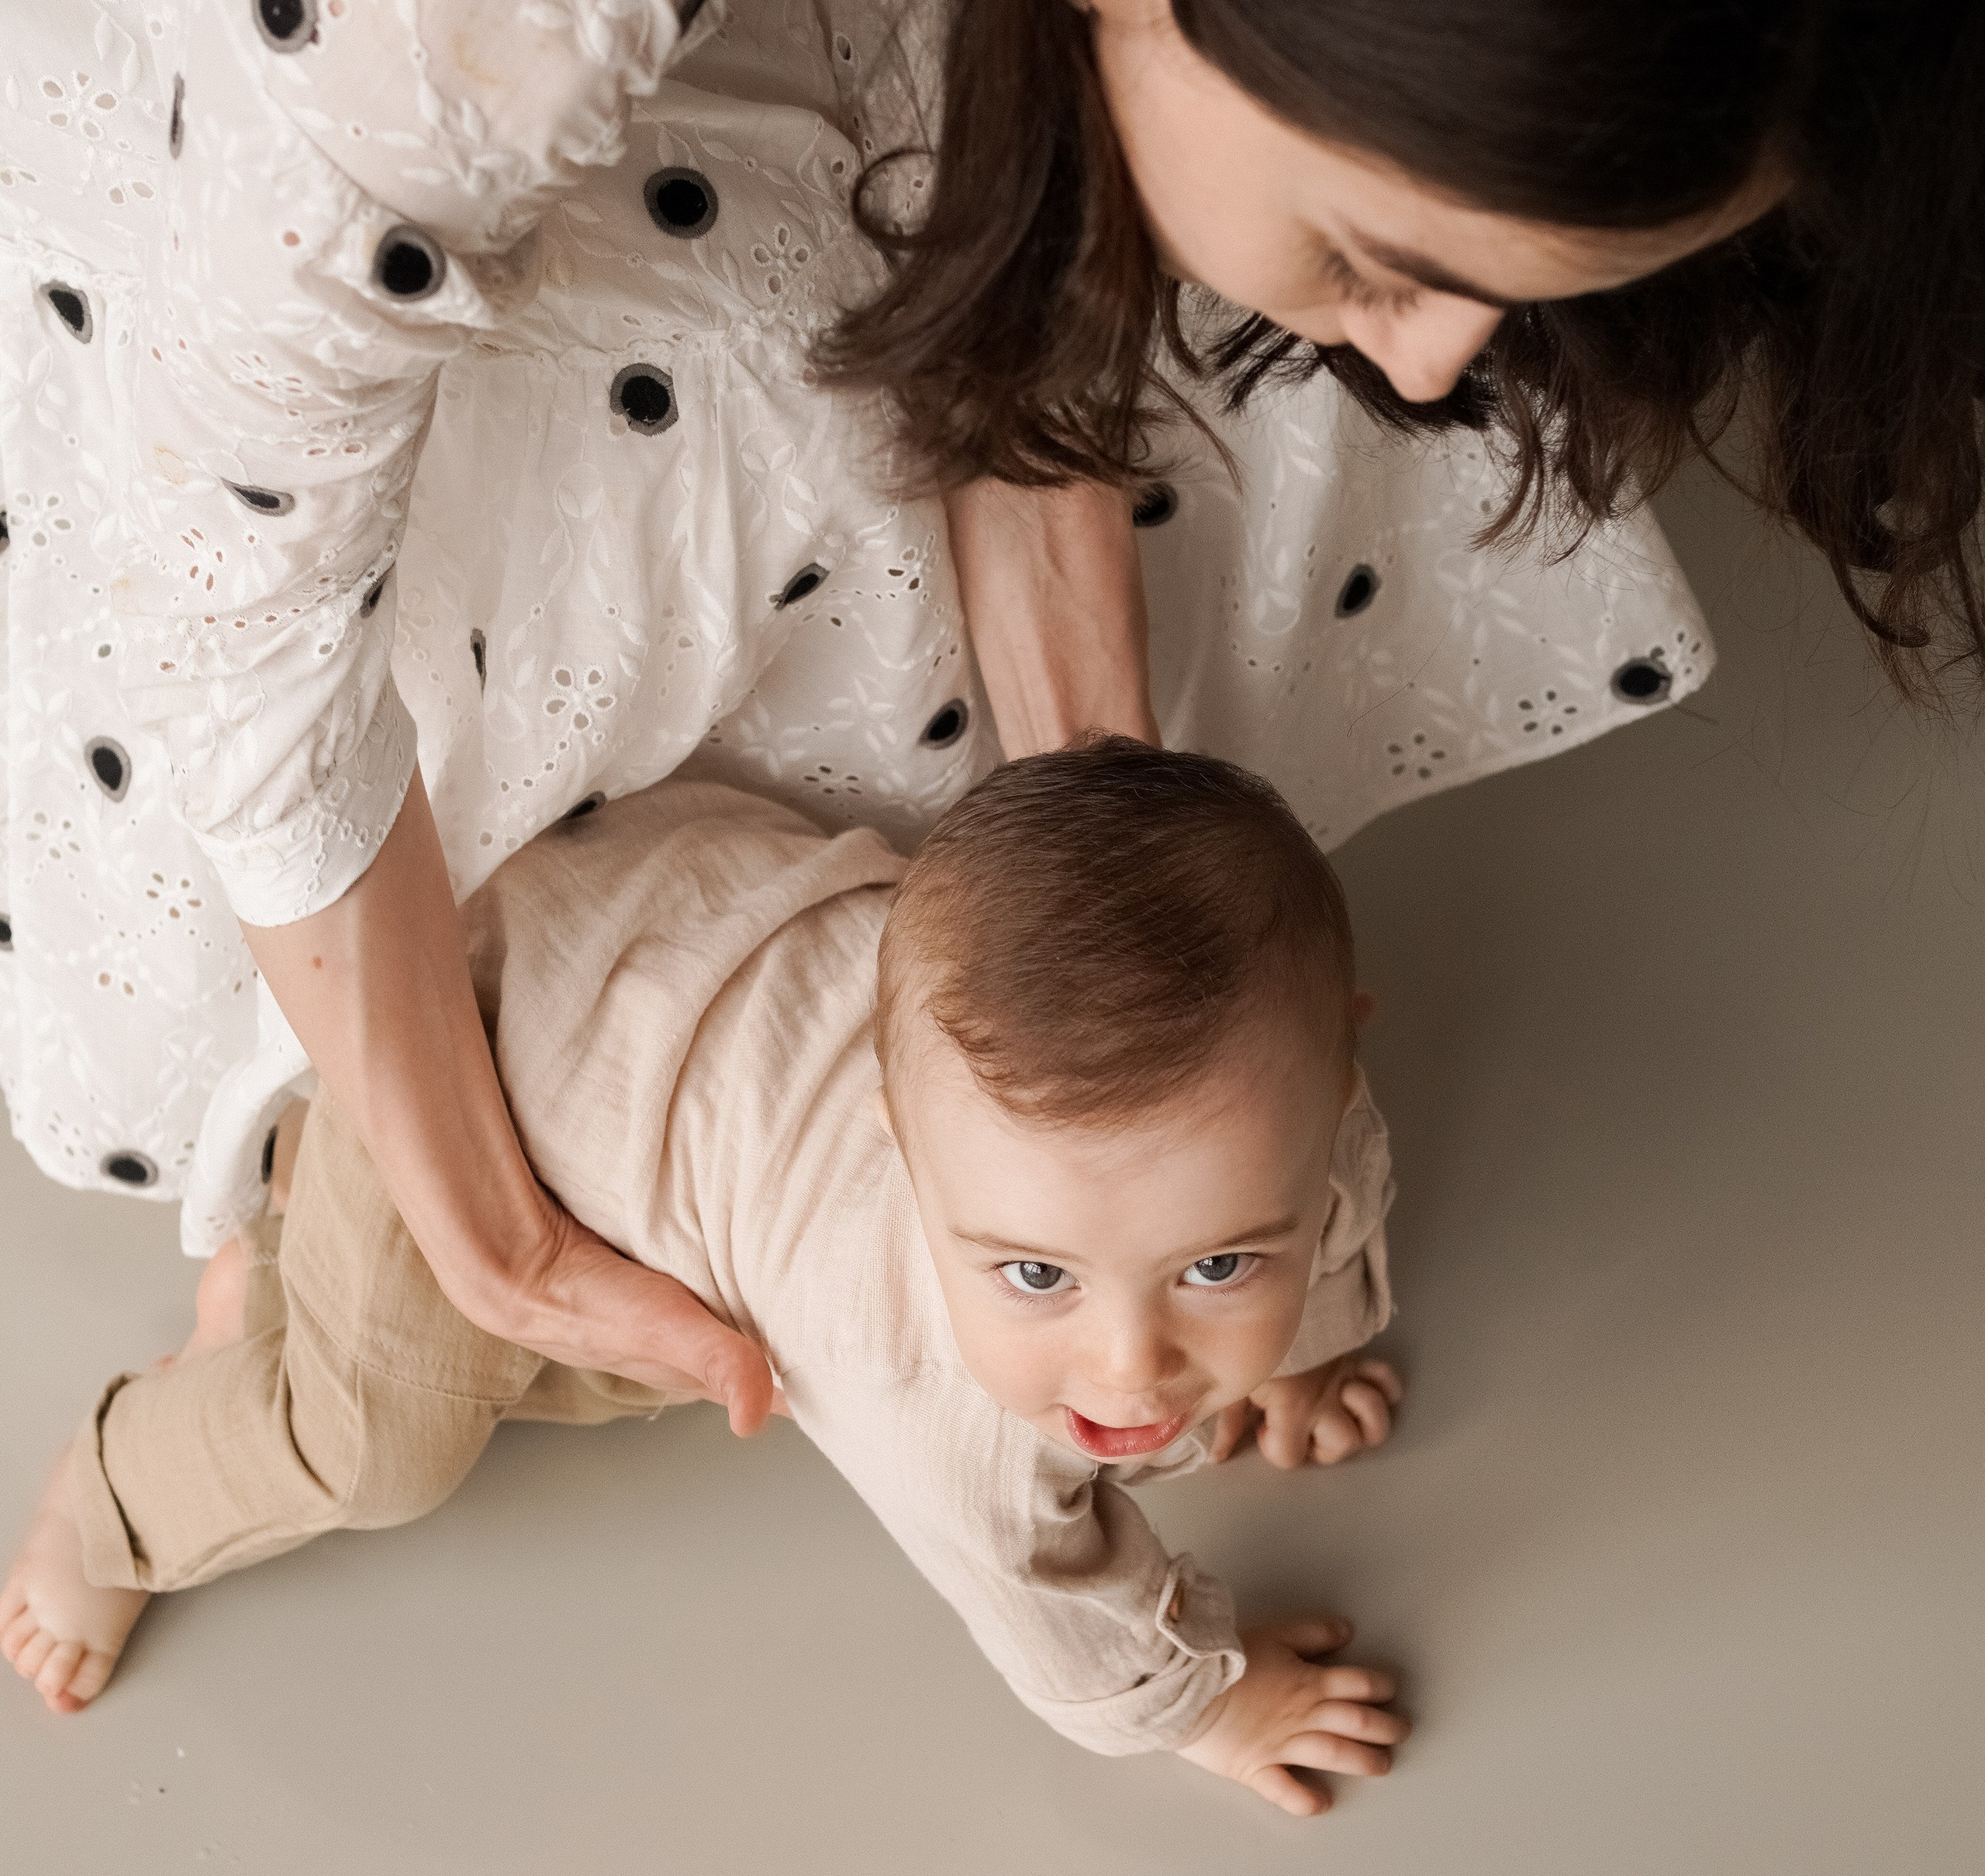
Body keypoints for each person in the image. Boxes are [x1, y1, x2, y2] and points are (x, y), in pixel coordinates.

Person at [3, 0, 1980, 1426]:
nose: (1439, 367)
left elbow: (986, 146)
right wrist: (489, 1233)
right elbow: (226, 568)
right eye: (1384, 253)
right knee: (653, 439)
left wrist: (1123, 932)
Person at [2, 742, 1410, 1819]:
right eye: (1034, 1273)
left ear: (1340, 1076)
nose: (1128, 1367)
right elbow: (1056, 1600)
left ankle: (291, 1248)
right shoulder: (943, 1406)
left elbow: (1328, 1201)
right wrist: (1211, 1709)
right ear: (897, 1137)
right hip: (465, 1071)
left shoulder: (1292, 1128)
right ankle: (120, 1487)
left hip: (661, 896)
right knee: (383, 1434)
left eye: (1217, 1265)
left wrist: (1306, 1351)